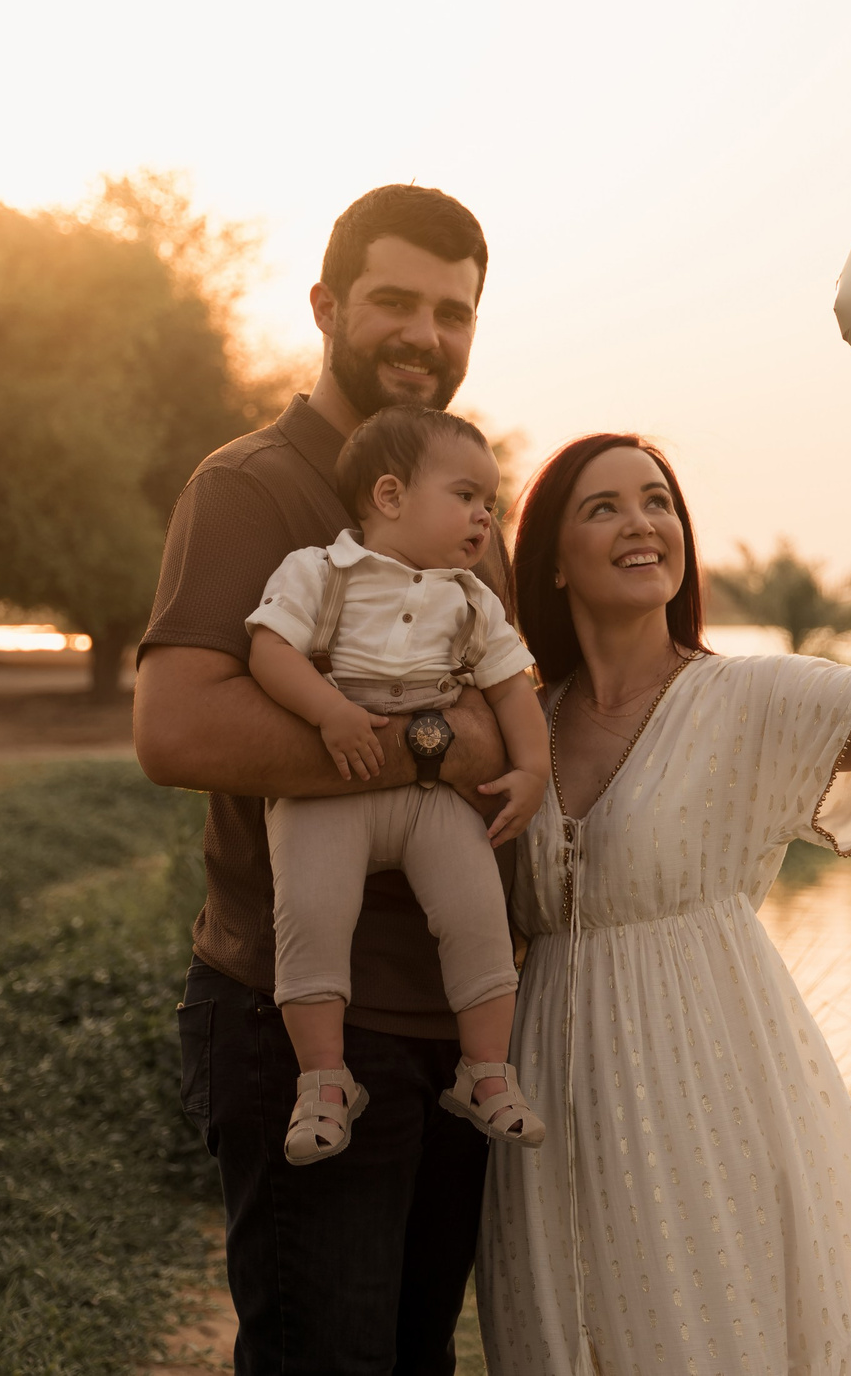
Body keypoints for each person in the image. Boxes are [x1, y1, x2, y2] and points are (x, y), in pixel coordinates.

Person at [476, 423, 851, 1376]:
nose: (642, 523)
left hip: (706, 1086)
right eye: (603, 507)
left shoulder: (745, 699)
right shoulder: (528, 718)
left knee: (711, 1329)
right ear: (553, 563)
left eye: (658, 502)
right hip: (551, 1100)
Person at [134, 184, 509, 1375]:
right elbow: (179, 731)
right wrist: (426, 745)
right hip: (297, 1023)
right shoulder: (251, 487)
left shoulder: (462, 509)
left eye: (452, 312)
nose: (423, 335)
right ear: (326, 306)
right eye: (394, 301)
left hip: (448, 1031)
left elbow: (514, 719)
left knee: (416, 1362)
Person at [246, 405, 550, 1165]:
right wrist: (329, 712)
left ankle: (485, 1074)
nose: (485, 516)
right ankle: (323, 1082)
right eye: (466, 496)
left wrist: (532, 771)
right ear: (389, 497)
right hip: (328, 790)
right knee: (310, 916)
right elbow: (269, 651)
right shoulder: (321, 572)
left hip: (428, 799)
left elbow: (515, 690)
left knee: (480, 913)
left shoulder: (472, 599)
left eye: (492, 503)